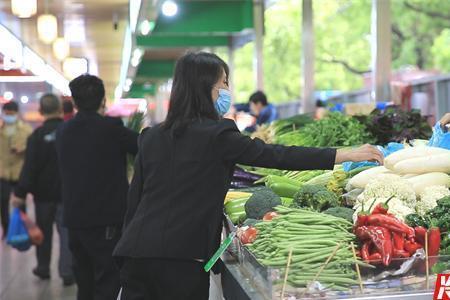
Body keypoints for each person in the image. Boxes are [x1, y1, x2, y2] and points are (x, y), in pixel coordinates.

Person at [113, 52, 383, 300]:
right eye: (224, 83)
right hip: (183, 260)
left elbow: (133, 202)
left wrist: (123, 255)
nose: (227, 90)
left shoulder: (151, 137)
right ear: (206, 88)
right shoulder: (218, 135)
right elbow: (276, 155)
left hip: (137, 254)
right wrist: (344, 154)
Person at [56, 74, 138, 300]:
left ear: (74, 102)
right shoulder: (111, 129)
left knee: (84, 281)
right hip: (105, 222)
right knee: (107, 281)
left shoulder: (63, 131)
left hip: (74, 221)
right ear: (103, 100)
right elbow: (143, 146)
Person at [10, 94, 74, 285]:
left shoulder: (36, 137)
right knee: (66, 233)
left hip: (43, 196)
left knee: (43, 233)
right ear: (61, 110)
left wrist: (20, 193)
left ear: (40, 112)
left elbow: (30, 167)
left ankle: (43, 268)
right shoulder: (69, 133)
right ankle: (67, 271)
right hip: (67, 194)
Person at [0, 101, 32, 239]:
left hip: (20, 171)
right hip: (2, 172)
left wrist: (22, 150)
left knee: (21, 202)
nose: (8, 116)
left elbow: (31, 149)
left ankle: (22, 229)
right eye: (6, 114)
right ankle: (6, 230)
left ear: (17, 113)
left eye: (11, 114)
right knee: (3, 202)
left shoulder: (26, 129)